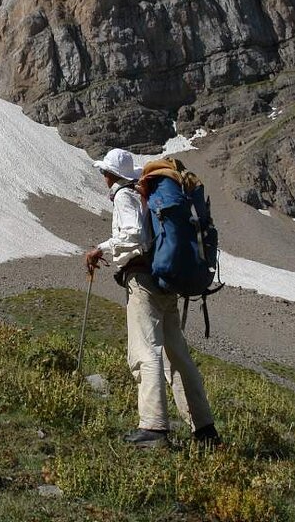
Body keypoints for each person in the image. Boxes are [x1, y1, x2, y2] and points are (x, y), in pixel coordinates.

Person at [84, 147, 220, 447]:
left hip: (142, 279)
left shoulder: (123, 195)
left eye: (104, 172)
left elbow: (134, 235)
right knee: (177, 356)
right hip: (164, 277)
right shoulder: (146, 194)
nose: (103, 177)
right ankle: (205, 430)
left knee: (145, 350)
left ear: (110, 175)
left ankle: (154, 428)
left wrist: (102, 249)